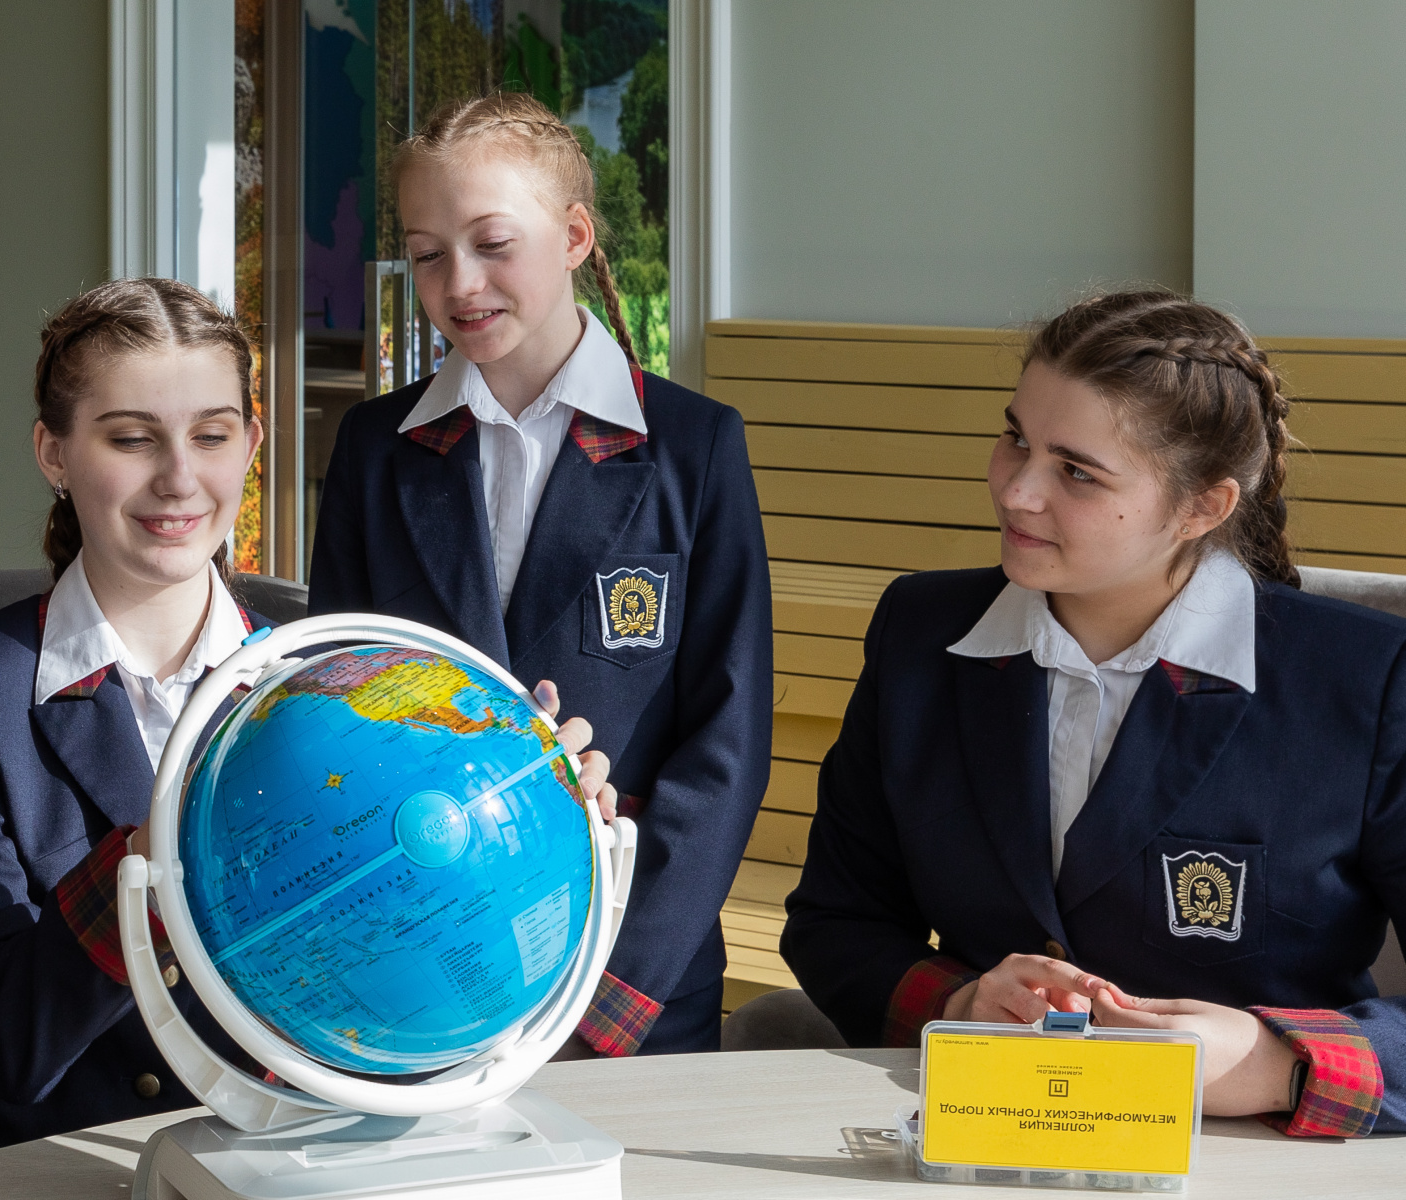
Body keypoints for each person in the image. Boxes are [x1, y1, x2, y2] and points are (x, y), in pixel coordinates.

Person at [0, 277, 618, 1179]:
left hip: (282, 1163)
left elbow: (406, 996)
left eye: (211, 436)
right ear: (54, 454)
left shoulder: (344, 689)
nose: (179, 478)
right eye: (131, 438)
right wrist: (163, 858)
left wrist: (536, 816)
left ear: (252, 445)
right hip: (32, 1157)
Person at [783, 289, 1406, 1137]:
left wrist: (1278, 1063)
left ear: (1203, 507)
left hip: (1257, 1153)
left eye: (1076, 471)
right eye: (1016, 439)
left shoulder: (1367, 680)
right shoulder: (918, 635)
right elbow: (837, 922)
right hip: (981, 1135)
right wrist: (961, 1003)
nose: (1017, 491)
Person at [309, 93, 771, 1058]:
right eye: (427, 254)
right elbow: (337, 706)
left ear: (572, 237)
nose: (459, 283)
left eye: (492, 244)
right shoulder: (374, 449)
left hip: (633, 964)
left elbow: (727, 746)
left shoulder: (694, 448)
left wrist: (614, 991)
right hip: (421, 962)